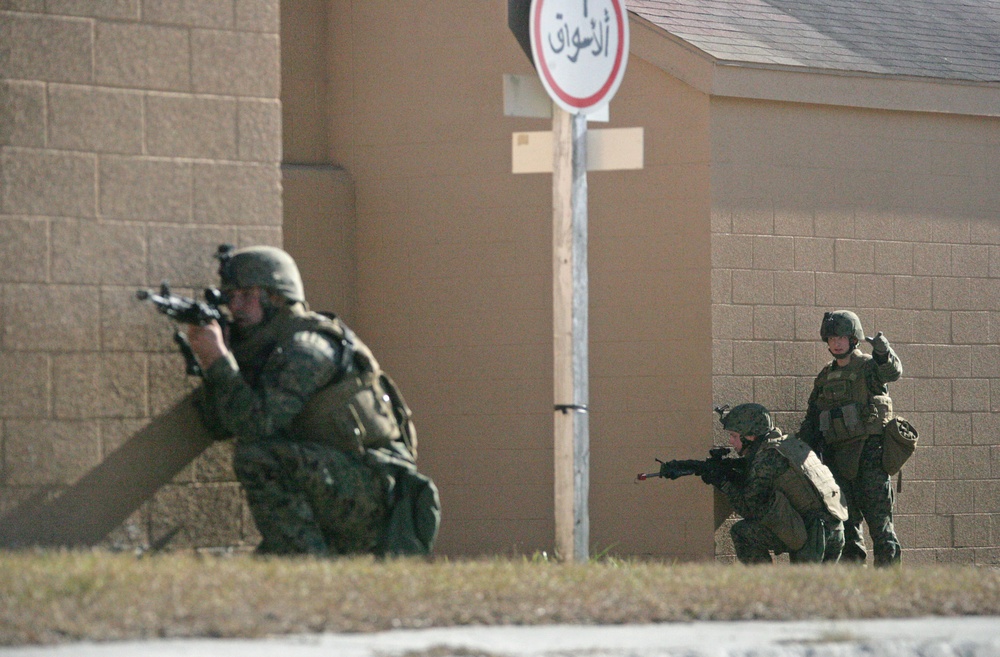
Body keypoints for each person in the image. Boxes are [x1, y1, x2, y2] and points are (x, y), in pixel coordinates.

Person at [186, 244, 438, 556]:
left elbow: (256, 426)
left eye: (246, 294)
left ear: (277, 297)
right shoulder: (266, 349)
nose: (235, 306)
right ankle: (307, 559)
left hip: (375, 493)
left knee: (257, 456)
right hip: (335, 481)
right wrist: (212, 365)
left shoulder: (307, 350)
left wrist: (221, 362)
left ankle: (311, 563)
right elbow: (221, 426)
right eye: (231, 297)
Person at [796, 310, 902, 566]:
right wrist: (795, 450)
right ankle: (856, 587)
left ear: (853, 338)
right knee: (848, 526)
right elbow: (812, 421)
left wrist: (882, 353)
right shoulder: (824, 378)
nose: (836, 343)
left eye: (842, 337)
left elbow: (892, 373)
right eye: (832, 338)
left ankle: (890, 586)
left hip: (870, 456)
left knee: (880, 525)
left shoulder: (868, 367)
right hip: (838, 461)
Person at [702, 403, 847, 565]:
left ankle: (765, 584)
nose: (731, 441)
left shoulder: (766, 459)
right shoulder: (788, 445)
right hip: (835, 530)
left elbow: (750, 510)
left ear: (750, 436)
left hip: (814, 536)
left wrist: (725, 484)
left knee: (742, 532)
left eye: (734, 436)